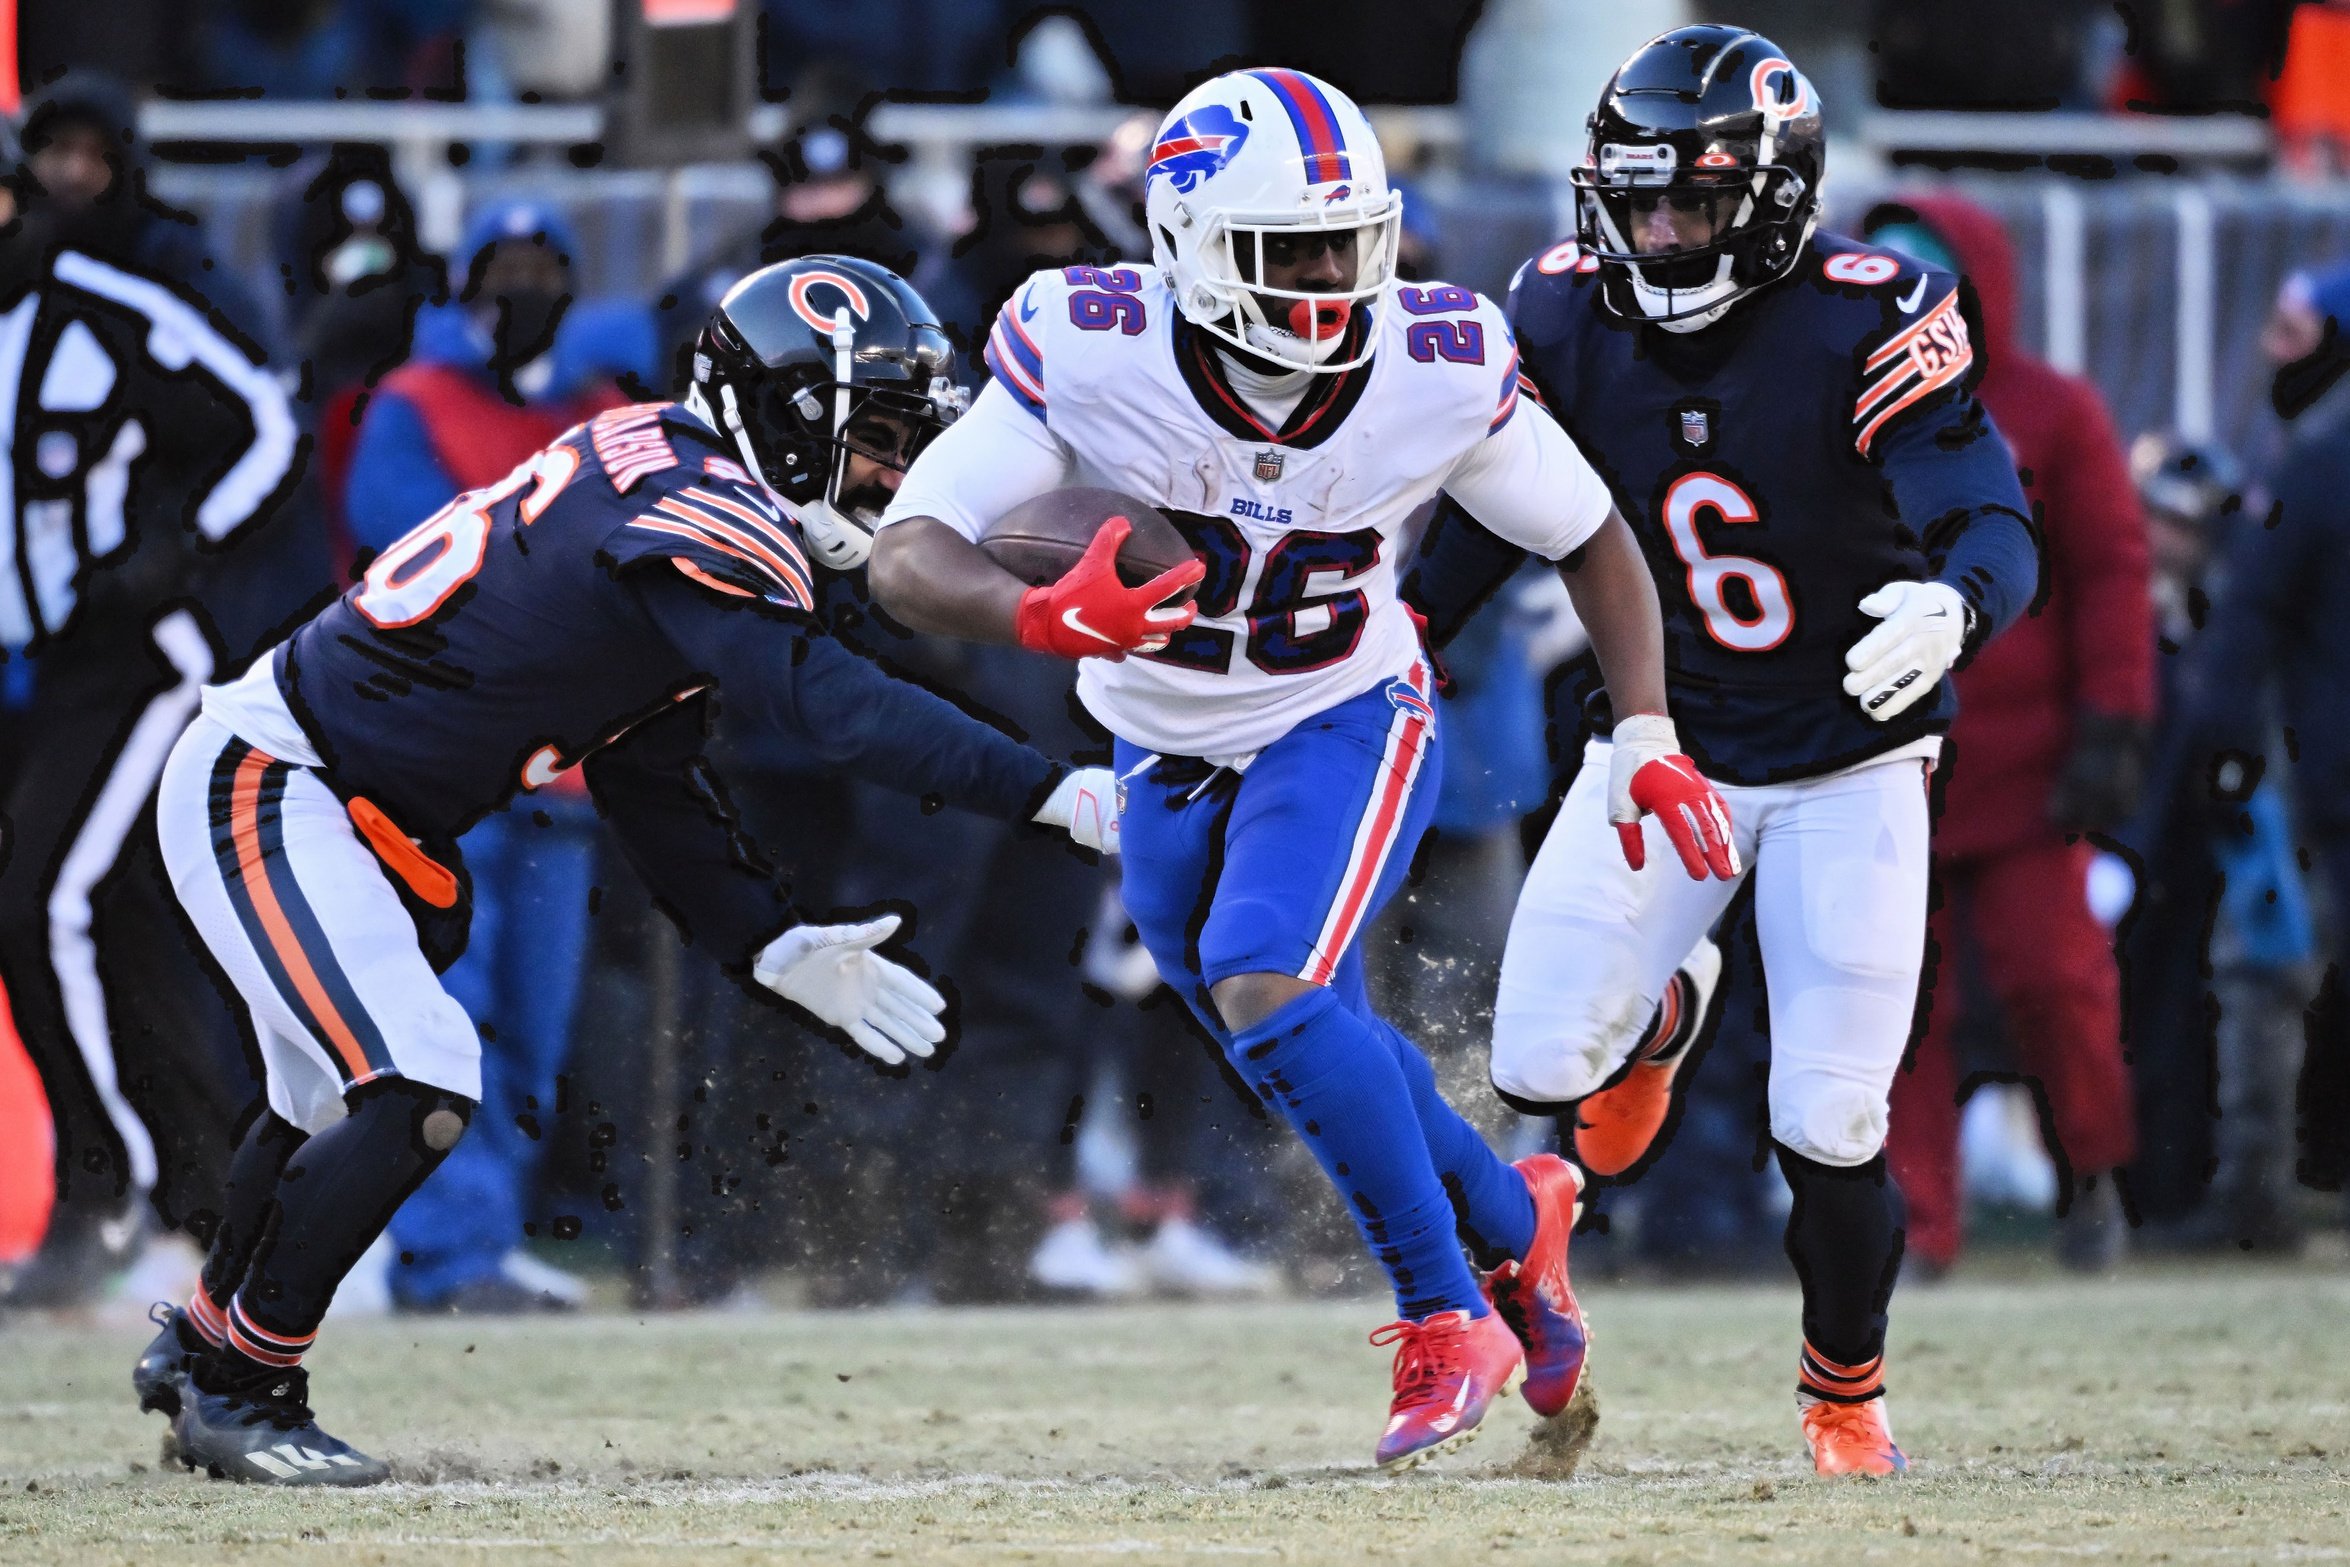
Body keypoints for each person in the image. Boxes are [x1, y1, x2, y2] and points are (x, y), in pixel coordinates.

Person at [868, 67, 1738, 1470]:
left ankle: (1445, 1311)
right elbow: (910, 551)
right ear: (1187, 244)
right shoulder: (1090, 343)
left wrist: (1643, 729)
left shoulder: (1436, 358)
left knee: (1268, 983)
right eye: (1293, 251)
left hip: (1340, 709)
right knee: (1291, 1035)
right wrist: (1034, 613)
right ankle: (1522, 1224)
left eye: (1350, 241)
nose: (1333, 281)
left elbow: (1588, 532)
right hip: (1159, 736)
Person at [129, 257, 1120, 1485]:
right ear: (788, 415)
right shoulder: (703, 511)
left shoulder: (658, 474)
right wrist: (1050, 788)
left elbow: (651, 776)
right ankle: (244, 1382)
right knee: (418, 1081)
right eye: (876, 437)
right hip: (280, 784)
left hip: (344, 800)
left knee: (324, 1104)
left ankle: (207, 1351)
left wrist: (765, 938)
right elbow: (832, 705)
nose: (894, 477)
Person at [1407, 28, 2038, 1475]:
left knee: (1826, 1108)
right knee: (1535, 1056)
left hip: (1848, 757)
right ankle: (1659, 1020)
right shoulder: (1562, 315)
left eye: (1690, 203)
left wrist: (1956, 602)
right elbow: (1499, 523)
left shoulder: (1867, 314)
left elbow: (1988, 514)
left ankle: (1842, 1391)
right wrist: (1391, 640)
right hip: (1666, 742)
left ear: (1770, 194)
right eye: (1638, 201)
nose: (1660, 231)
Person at [0, 73, 326, 1307]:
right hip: (19, 665)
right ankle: (213, 1197)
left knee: (43, 899)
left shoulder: (110, 303)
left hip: (125, 658)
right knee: (127, 924)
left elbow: (265, 422)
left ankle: (103, 1187)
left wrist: (179, 547)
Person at [1860, 195, 2154, 1276]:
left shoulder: (2050, 411)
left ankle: (2093, 1176)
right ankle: (1918, 1223)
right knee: (1896, 1002)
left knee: (2054, 981)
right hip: (1892, 760)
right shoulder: (1829, 409)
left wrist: (2114, 721)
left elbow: (2112, 570)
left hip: (2029, 772)